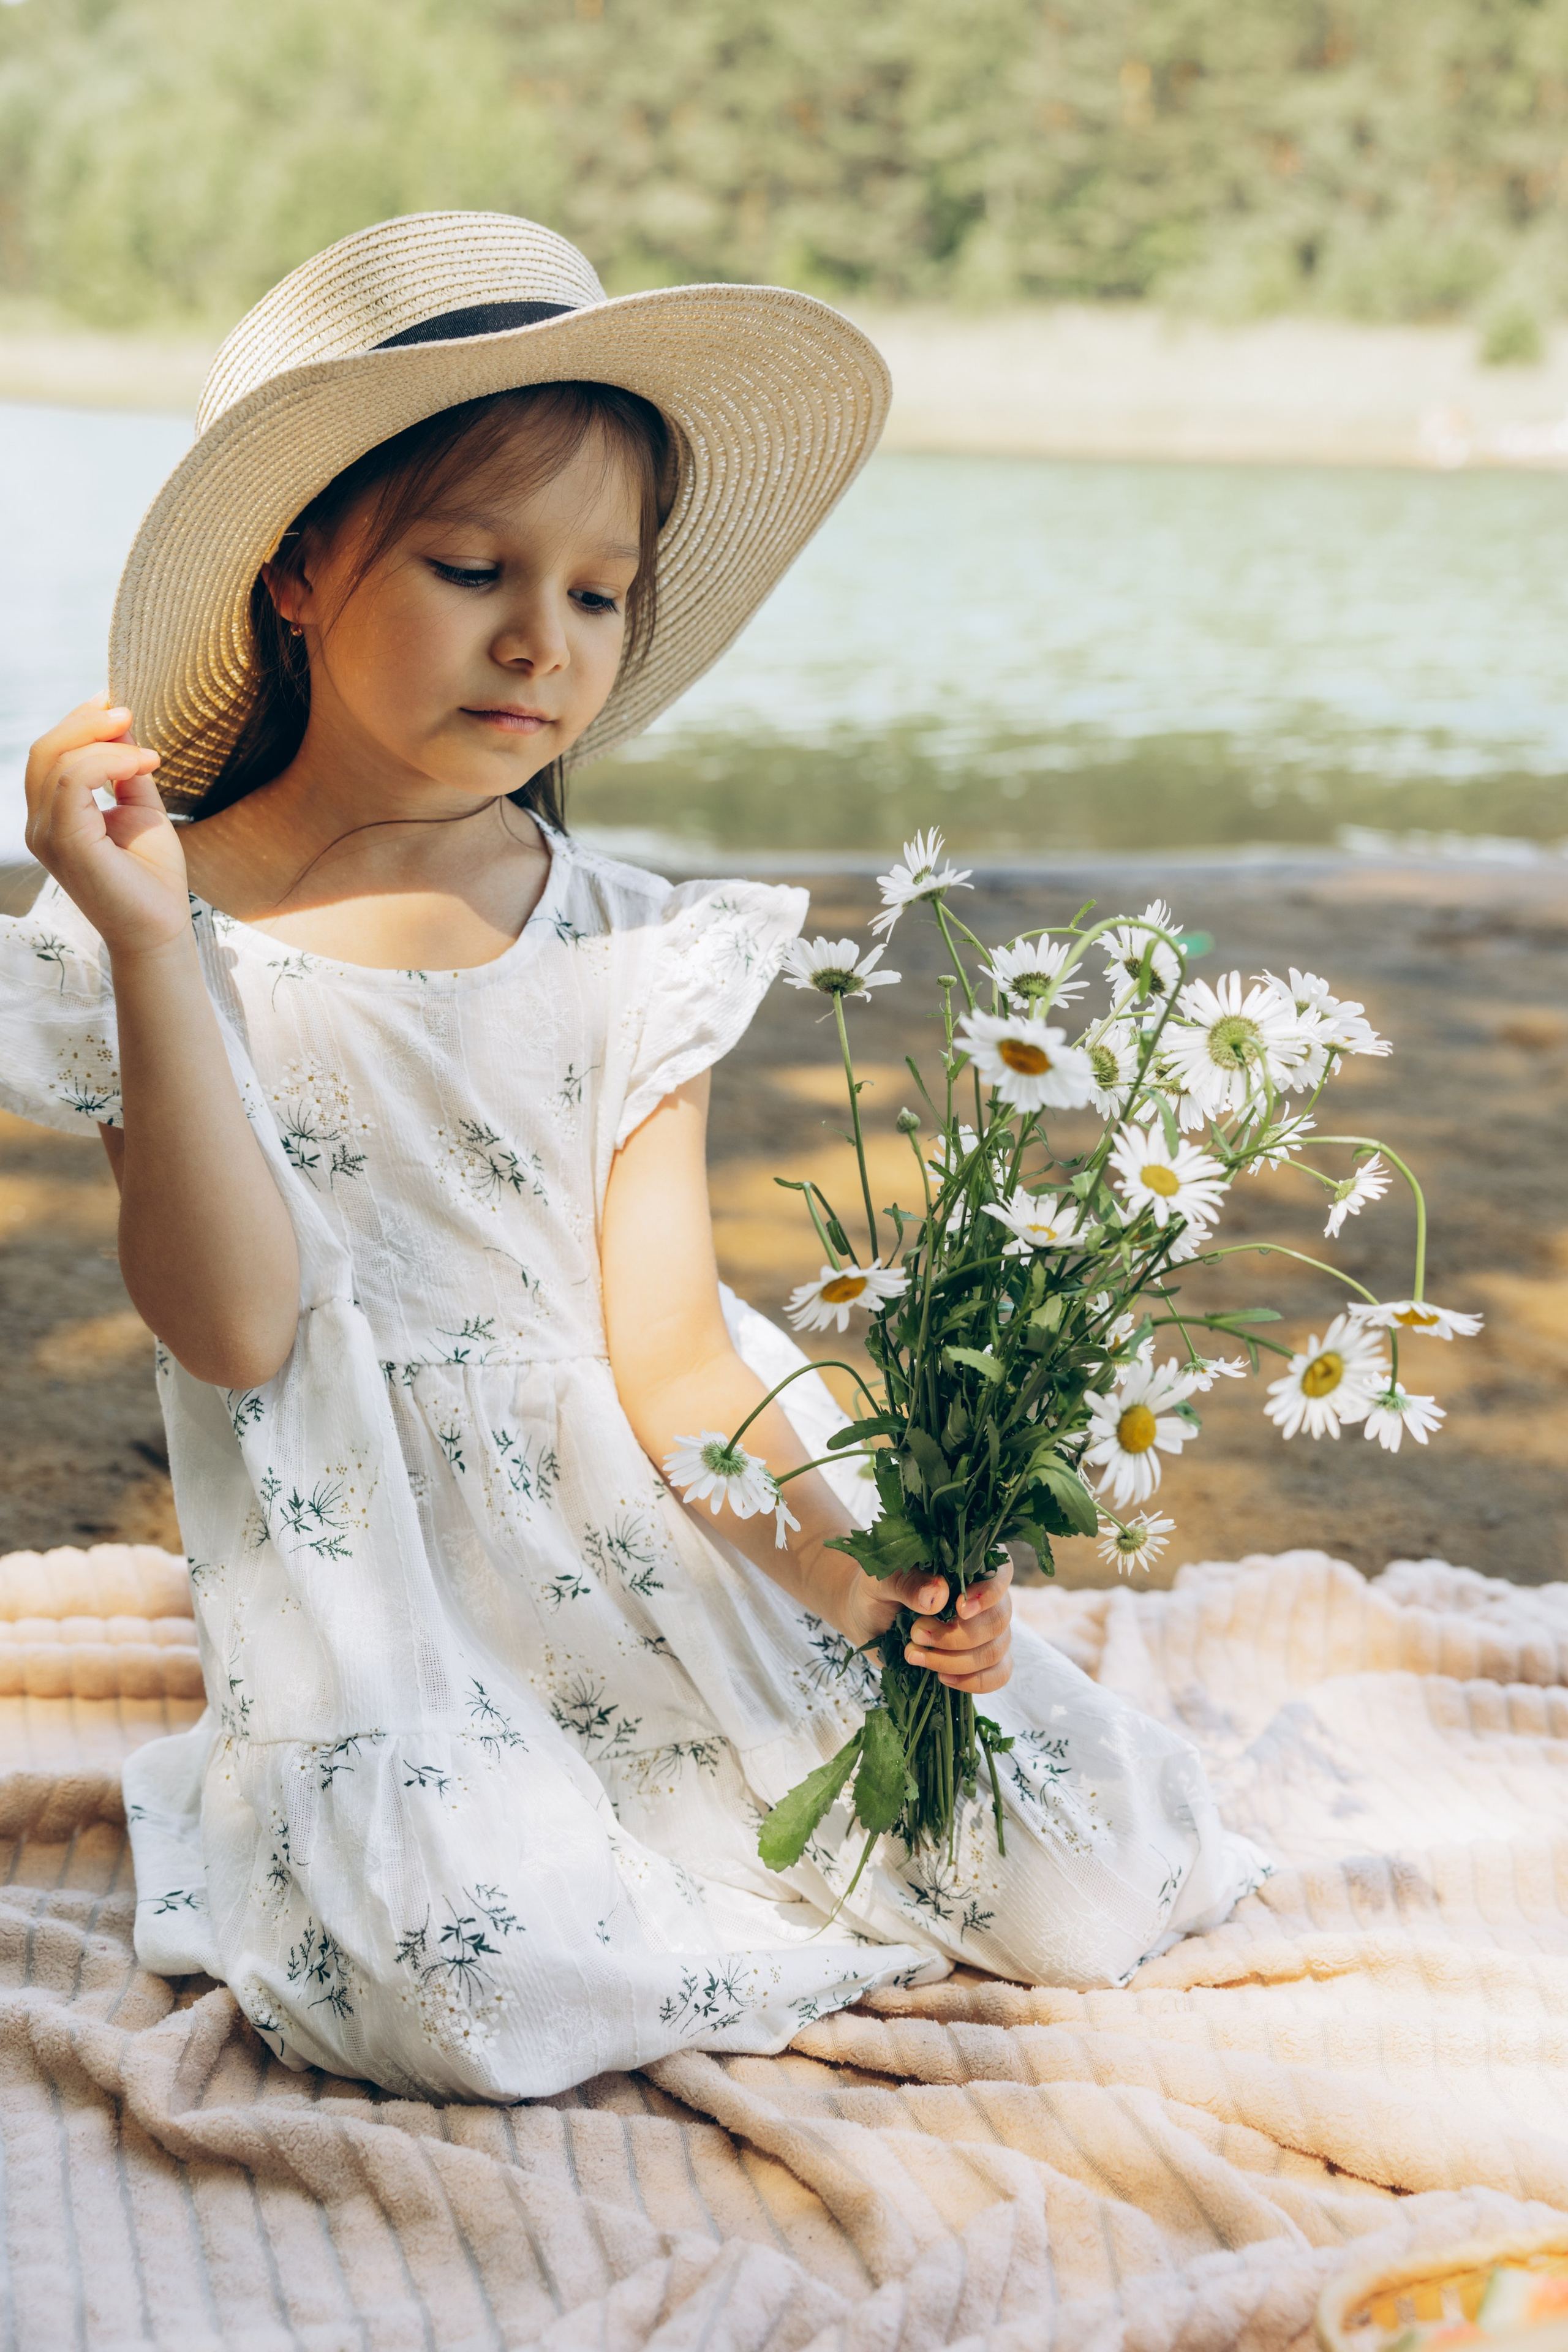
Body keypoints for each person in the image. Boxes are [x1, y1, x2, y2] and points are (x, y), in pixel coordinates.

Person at [2, 213, 1268, 2101]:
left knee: (1080, 1883)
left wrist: (868, 1585)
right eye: (471, 567)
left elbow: (673, 1356)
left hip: (661, 1532)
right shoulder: (163, 928)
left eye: (600, 593)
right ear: (296, 575)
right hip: (385, 1585)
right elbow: (240, 1332)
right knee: (473, 1990)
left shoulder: (625, 934)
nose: (543, 641)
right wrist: (149, 942)